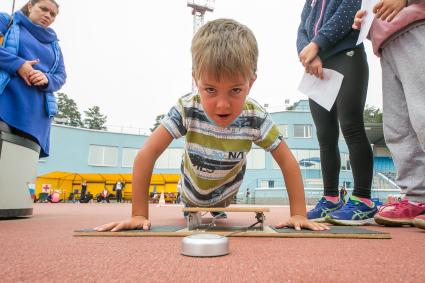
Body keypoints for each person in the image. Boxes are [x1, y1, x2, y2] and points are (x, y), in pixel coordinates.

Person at [95, 18, 329, 232]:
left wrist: (299, 214)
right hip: (190, 193)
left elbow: (288, 161)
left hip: (227, 194)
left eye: (236, 90)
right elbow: (147, 154)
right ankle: (197, 204)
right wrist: (138, 214)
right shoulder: (187, 109)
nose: (222, 105)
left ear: (251, 83)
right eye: (210, 90)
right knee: (191, 204)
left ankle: (218, 206)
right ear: (196, 80)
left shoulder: (255, 116)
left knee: (220, 207)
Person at [297, 0, 378, 225]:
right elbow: (302, 28)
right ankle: (331, 197)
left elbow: (346, 13)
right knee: (325, 135)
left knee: (351, 126)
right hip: (318, 64)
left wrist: (317, 45)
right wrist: (308, 54)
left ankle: (363, 199)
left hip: (346, 54)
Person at [352, 0, 425, 227]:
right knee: (398, 128)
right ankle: (417, 198)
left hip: (417, 28)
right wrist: (367, 25)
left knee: (423, 114)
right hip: (387, 45)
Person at [0, 0, 66, 158]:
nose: (47, 15)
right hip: (5, 106)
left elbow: (61, 76)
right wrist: (18, 65)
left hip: (36, 119)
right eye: (43, 9)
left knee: (18, 174)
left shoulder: (54, 45)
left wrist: (47, 79)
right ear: (30, 6)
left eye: (52, 14)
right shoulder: (6, 21)